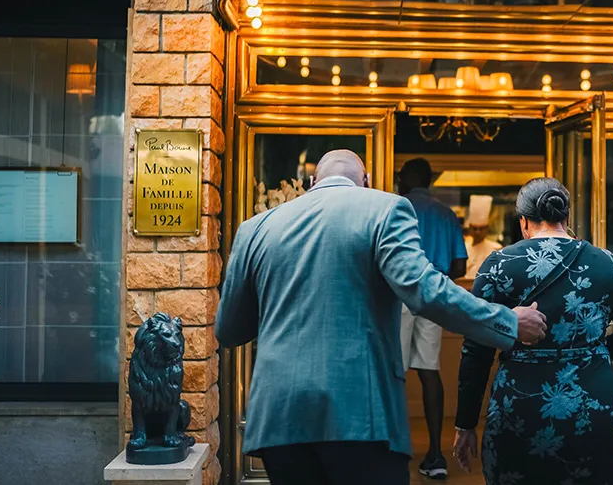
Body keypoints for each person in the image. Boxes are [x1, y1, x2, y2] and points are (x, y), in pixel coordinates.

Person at [215, 150, 548, 485]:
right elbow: (426, 290)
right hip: (359, 416)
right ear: (367, 182)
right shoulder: (385, 209)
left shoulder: (253, 229)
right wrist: (507, 321)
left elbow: (228, 330)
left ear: (311, 183)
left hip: (277, 416)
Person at [453, 177, 613, 485]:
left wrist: (465, 424)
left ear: (523, 222)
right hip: (594, 405)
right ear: (567, 218)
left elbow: (476, 350)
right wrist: (596, 349)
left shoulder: (498, 265)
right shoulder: (608, 263)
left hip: (520, 407)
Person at [396, 157, 466, 479]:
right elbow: (461, 267)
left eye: (400, 176)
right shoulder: (445, 213)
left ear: (408, 178)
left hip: (397, 295)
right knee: (429, 371)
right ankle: (436, 456)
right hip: (433, 295)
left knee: (392, 372)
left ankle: (393, 451)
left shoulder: (396, 206)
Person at [464, 194, 502, 277]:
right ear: (469, 228)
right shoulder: (464, 249)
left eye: (481, 229)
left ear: (487, 229)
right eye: (475, 228)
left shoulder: (496, 248)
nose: (478, 232)